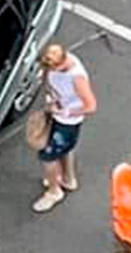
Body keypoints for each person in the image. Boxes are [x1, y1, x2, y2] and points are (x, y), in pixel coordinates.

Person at [34, 43, 97, 213]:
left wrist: (65, 111)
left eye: (53, 68)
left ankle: (54, 191)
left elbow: (91, 105)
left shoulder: (76, 77)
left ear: (61, 63)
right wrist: (50, 98)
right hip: (57, 114)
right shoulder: (55, 65)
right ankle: (68, 178)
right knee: (65, 149)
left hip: (68, 121)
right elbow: (49, 80)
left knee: (48, 156)